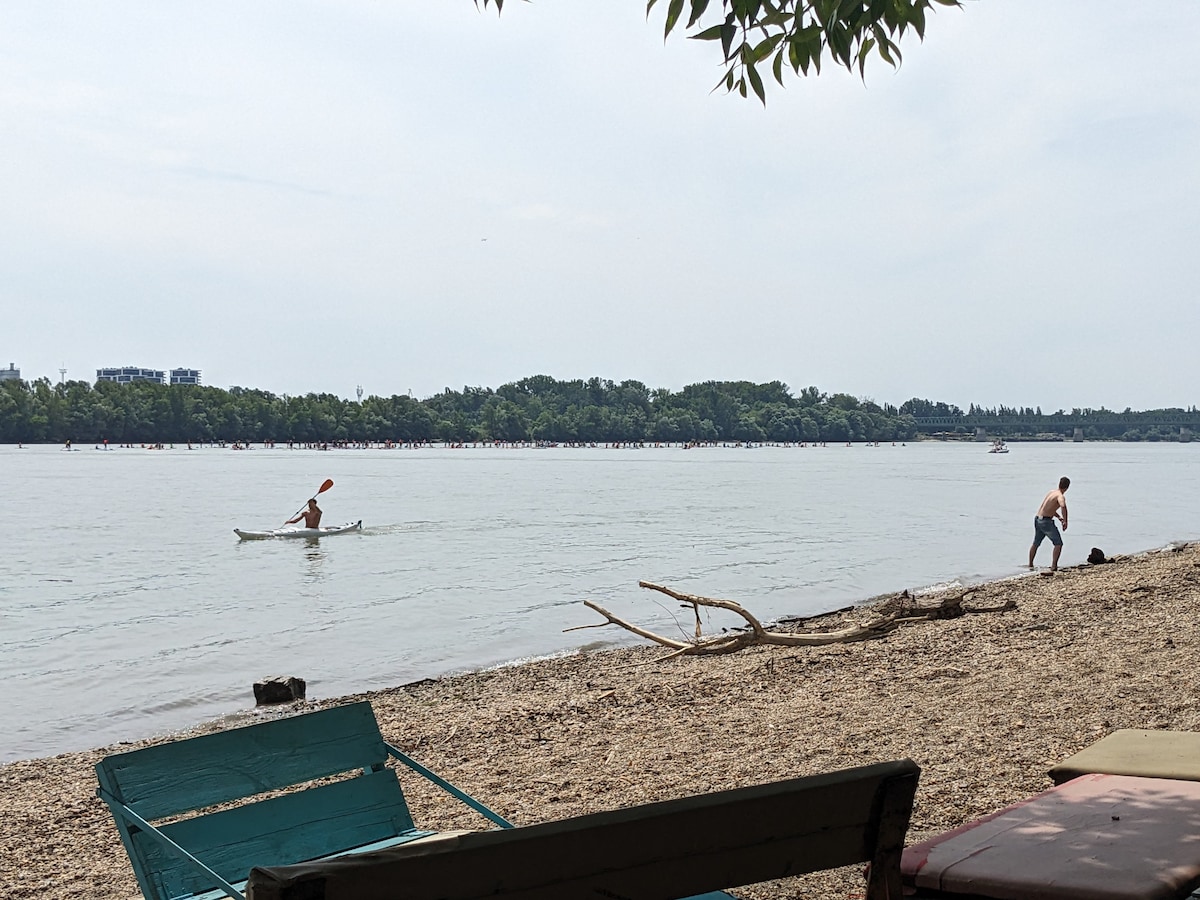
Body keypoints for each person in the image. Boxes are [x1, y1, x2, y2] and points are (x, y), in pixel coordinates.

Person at [1029, 476, 1070, 572]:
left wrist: (1059, 517)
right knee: (1058, 543)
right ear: (1067, 487)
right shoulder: (1060, 496)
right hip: (1046, 522)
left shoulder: (1051, 492)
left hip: (1038, 519)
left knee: (1036, 543)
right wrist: (1065, 521)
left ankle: (1030, 564)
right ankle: (1054, 566)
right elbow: (1063, 506)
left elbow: (1046, 507)